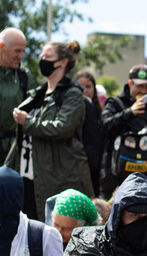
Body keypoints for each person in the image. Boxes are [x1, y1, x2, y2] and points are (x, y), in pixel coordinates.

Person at [7, 40, 93, 221]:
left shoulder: (72, 93)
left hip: (57, 179)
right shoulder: (37, 94)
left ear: (62, 62)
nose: (42, 60)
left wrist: (27, 121)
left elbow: (63, 127)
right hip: (29, 176)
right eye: (41, 56)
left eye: (47, 56)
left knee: (53, 231)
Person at [100, 64, 147, 199]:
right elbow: (104, 127)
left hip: (145, 181)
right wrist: (130, 112)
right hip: (115, 180)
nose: (144, 91)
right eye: (140, 86)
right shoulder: (115, 103)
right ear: (130, 84)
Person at [0, 28, 30, 164]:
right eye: (17, 51)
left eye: (23, 51)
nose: (21, 57)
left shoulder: (24, 77)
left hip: (15, 153)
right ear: (1, 47)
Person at [75, 70, 105, 195]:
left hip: (96, 166)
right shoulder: (70, 110)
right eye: (80, 86)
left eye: (88, 86)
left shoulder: (99, 111)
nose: (84, 90)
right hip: (78, 165)